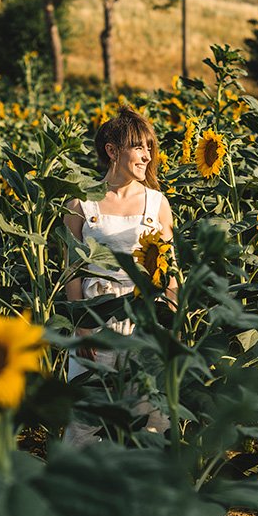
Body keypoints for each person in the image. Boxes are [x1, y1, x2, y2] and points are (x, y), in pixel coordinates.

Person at [62, 106, 176, 447]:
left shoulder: (157, 203)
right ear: (112, 151)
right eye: (138, 147)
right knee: (87, 416)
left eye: (149, 147)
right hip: (96, 318)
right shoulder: (81, 203)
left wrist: (171, 321)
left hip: (145, 317)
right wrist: (81, 329)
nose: (147, 155)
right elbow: (71, 270)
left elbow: (170, 271)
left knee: (150, 414)